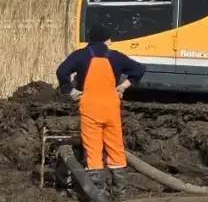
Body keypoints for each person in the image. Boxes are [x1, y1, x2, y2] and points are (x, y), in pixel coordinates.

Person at [55, 23, 146, 181]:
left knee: (93, 150)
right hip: (111, 109)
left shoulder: (80, 55)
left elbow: (61, 71)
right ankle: (119, 192)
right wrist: (123, 86)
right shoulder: (116, 56)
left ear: (91, 40)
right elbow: (139, 69)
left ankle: (97, 193)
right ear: (107, 39)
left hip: (90, 108)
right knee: (115, 148)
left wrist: (70, 91)